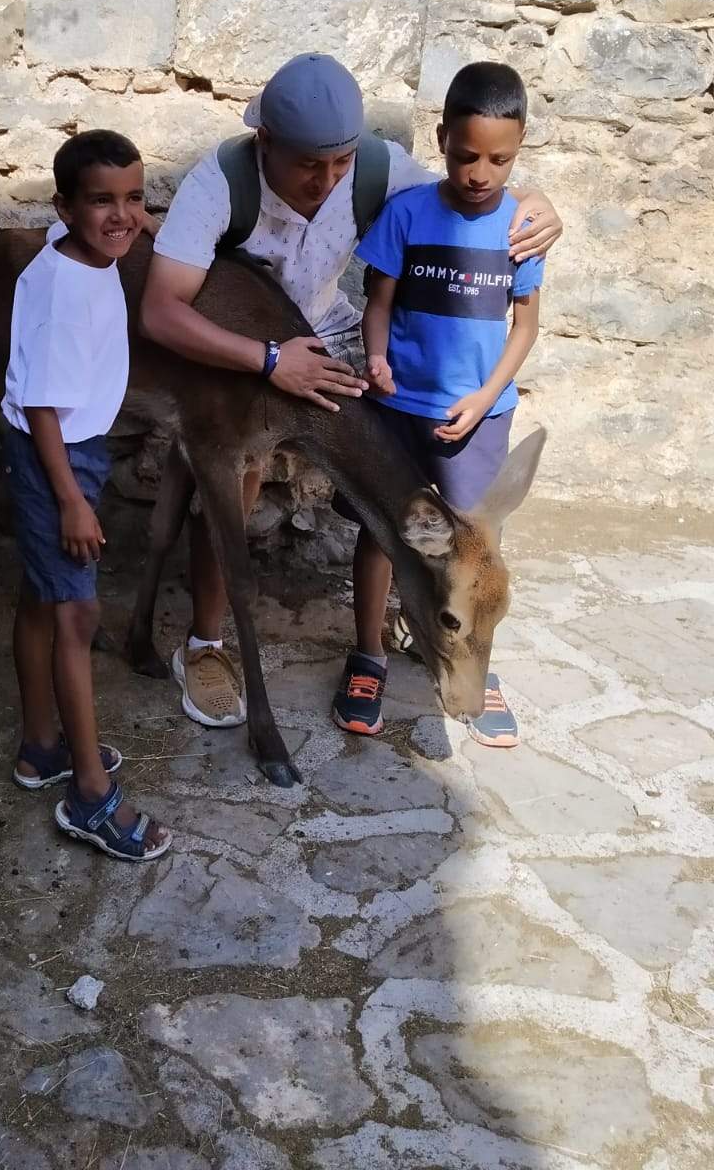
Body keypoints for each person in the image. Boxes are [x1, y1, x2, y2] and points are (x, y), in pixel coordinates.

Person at [140, 53, 563, 732]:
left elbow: (464, 196)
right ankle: (207, 644)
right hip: (241, 350)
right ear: (266, 143)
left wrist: (540, 209)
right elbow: (161, 311)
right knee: (238, 474)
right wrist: (271, 360)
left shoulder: (377, 167)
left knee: (393, 473)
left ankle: (424, 622)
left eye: (341, 163)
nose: (328, 181)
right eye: (310, 165)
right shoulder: (217, 183)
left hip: (324, 328)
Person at [332, 61, 543, 747]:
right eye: (465, 155)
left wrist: (486, 398)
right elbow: (378, 305)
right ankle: (369, 652)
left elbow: (527, 325)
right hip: (400, 409)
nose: (481, 172)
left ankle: (475, 664)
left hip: (478, 417)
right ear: (443, 137)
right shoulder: (408, 213)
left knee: (474, 551)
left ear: (519, 151)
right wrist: (378, 358)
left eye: (500, 160)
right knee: (382, 533)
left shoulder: (521, 229)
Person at [3, 128, 170, 862]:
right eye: (101, 201)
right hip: (55, 458)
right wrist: (71, 499)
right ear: (64, 206)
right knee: (77, 614)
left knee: (44, 599)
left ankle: (43, 748)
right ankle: (91, 797)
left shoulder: (84, 250)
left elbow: (123, 223)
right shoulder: (59, 291)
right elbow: (41, 406)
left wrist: (138, 221)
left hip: (76, 447)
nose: (122, 216)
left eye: (133, 199)